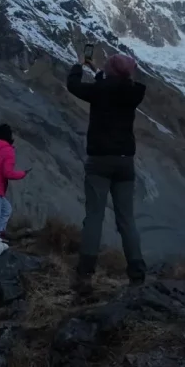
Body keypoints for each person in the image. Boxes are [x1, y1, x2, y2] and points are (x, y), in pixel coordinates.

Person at [67, 53, 147, 290]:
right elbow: (115, 85)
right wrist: (100, 73)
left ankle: (85, 272)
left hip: (99, 160)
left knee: (94, 216)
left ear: (110, 71)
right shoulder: (133, 93)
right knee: (127, 219)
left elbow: (73, 86)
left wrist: (78, 66)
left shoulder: (99, 91)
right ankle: (137, 273)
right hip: (125, 161)